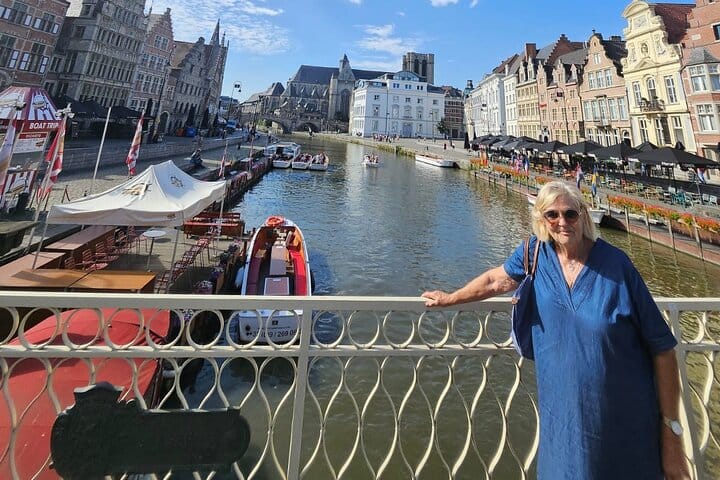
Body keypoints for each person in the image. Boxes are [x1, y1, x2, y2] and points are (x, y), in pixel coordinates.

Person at [422, 181, 689, 480]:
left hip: (623, 424)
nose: (562, 222)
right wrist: (450, 298)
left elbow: (663, 349)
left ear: (583, 215)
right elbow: (494, 281)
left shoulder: (617, 266)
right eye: (552, 215)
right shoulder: (535, 255)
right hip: (563, 424)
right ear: (542, 219)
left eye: (570, 214)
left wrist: (672, 434)